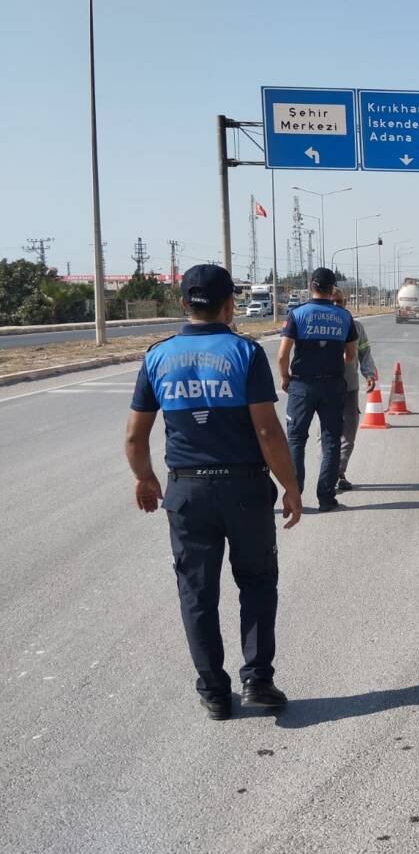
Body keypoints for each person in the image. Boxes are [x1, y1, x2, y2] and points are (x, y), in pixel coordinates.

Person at [125, 265, 301, 721]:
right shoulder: (245, 352)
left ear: (184, 302)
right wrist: (291, 486)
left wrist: (145, 477)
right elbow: (266, 429)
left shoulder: (157, 356)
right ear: (230, 305)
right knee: (258, 582)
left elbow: (134, 436)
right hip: (243, 487)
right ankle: (258, 681)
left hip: (187, 491)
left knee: (197, 592)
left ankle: (215, 694)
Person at [277, 267, 358, 511]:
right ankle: (326, 498)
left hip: (301, 385)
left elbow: (282, 355)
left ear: (310, 285)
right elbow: (351, 355)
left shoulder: (297, 314)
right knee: (332, 440)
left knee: (296, 440)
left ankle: (295, 495)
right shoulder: (344, 317)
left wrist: (285, 378)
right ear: (332, 288)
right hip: (333, 385)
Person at [332, 287, 378, 491]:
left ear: (345, 302)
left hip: (350, 388)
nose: (336, 306)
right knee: (326, 435)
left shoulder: (356, 327)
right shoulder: (319, 327)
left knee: (348, 436)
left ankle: (338, 471)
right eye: (332, 302)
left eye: (339, 302)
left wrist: (369, 374)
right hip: (325, 390)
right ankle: (329, 475)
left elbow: (364, 352)